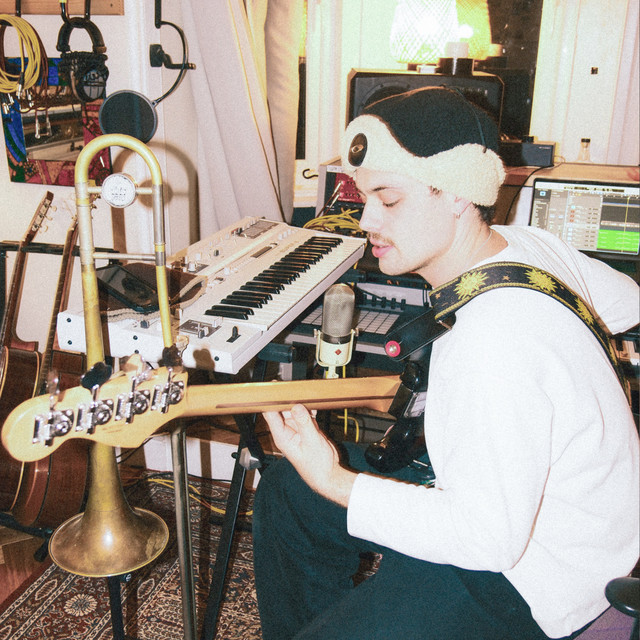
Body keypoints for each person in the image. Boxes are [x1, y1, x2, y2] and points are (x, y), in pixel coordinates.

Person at [252, 87, 640, 640]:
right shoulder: (525, 246)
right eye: (364, 197)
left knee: (318, 483)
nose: (366, 220)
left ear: (459, 193)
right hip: (553, 518)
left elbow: (488, 540)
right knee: (290, 492)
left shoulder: (494, 343)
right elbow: (627, 302)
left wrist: (333, 479)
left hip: (538, 578)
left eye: (389, 199)